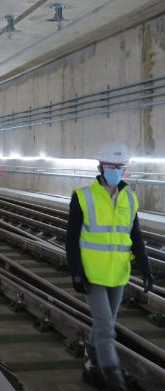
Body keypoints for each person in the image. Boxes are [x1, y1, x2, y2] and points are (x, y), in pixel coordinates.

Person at [66, 141, 153, 391]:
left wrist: (145, 265)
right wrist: (76, 272)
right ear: (100, 167)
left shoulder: (130, 198)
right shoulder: (83, 197)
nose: (115, 170)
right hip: (92, 274)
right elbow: (71, 239)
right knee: (105, 327)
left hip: (117, 273)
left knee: (105, 324)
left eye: (120, 166)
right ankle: (112, 374)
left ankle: (91, 367)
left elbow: (134, 235)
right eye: (110, 166)